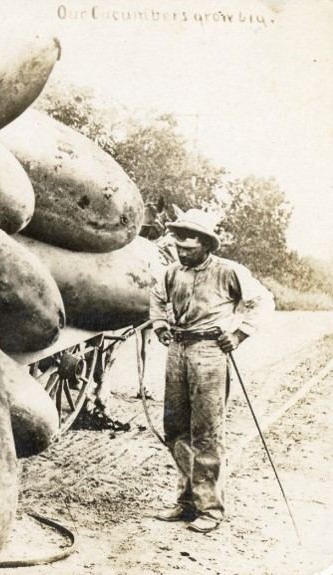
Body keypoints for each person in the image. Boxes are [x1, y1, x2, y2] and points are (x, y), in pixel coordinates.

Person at [148, 208, 274, 533]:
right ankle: (186, 500)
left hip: (209, 352)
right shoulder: (171, 272)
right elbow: (157, 299)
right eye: (179, 247)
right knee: (175, 427)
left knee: (206, 431)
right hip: (177, 349)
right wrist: (161, 325)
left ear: (206, 244)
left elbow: (263, 300)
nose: (183, 253)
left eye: (189, 248)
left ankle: (210, 509)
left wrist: (238, 334)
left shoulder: (228, 272)